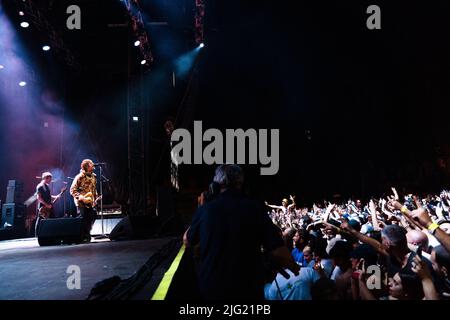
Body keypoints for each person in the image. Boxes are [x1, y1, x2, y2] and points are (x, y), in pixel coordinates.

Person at [184, 164, 299, 300]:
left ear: (215, 186)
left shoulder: (205, 210)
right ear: (241, 184)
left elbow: (187, 240)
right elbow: (278, 251)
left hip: (211, 289)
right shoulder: (255, 209)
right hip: (246, 289)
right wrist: (294, 266)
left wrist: (200, 211)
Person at [70, 159, 99, 242]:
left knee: (92, 216)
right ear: (86, 166)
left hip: (90, 201)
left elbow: (93, 188)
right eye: (91, 164)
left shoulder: (93, 176)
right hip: (81, 202)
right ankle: (81, 236)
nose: (93, 165)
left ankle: (87, 234)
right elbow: (72, 190)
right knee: (83, 219)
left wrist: (95, 197)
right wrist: (81, 197)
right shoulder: (79, 177)